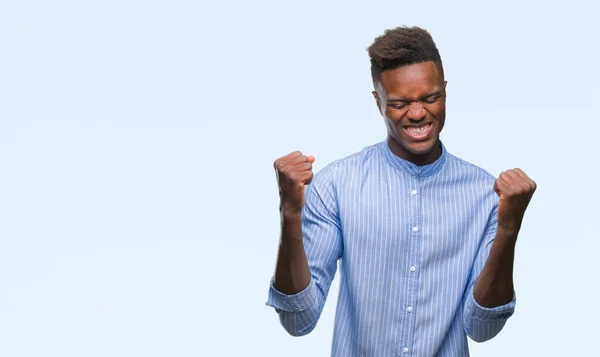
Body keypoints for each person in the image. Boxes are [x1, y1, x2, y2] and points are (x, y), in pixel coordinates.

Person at [266, 26, 536, 356]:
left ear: (446, 92)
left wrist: (508, 228)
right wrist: (290, 213)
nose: (418, 113)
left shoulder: (486, 194)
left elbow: (482, 328)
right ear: (377, 101)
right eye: (399, 103)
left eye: (430, 97)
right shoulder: (337, 185)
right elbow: (298, 320)